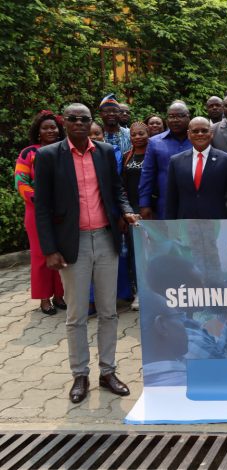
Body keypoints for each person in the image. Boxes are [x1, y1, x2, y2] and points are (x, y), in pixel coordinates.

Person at [34, 103, 139, 404]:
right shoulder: (48, 156)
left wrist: (127, 211)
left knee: (108, 311)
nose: (79, 123)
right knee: (77, 314)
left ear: (92, 122)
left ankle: (108, 371)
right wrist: (49, 250)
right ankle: (80, 374)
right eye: (73, 119)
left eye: (84, 119)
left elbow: (117, 190)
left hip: (106, 238)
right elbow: (42, 207)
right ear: (64, 122)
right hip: (72, 243)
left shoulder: (105, 152)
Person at [15, 111, 66, 315]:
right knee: (41, 255)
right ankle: (45, 299)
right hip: (37, 212)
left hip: (62, 211)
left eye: (53, 127)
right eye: (45, 127)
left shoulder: (65, 150)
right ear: (38, 132)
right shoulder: (28, 153)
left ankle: (60, 296)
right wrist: (41, 200)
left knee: (62, 254)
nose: (50, 130)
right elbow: (20, 182)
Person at [165, 117, 227, 219]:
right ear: (189, 134)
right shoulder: (176, 161)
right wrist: (171, 226)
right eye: (195, 131)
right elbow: (171, 199)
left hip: (218, 223)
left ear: (211, 133)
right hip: (185, 224)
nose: (200, 134)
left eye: (204, 131)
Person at [138, 101, 192, 220]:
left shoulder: (198, 140)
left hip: (194, 205)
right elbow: (147, 174)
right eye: (171, 116)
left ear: (188, 116)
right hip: (165, 205)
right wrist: (144, 204)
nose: (175, 120)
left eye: (180, 116)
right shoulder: (154, 142)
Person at [122, 121, 149, 310]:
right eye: (134, 134)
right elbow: (121, 186)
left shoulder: (154, 153)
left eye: (142, 133)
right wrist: (127, 211)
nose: (138, 137)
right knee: (136, 254)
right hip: (133, 213)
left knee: (154, 253)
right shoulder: (126, 156)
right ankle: (140, 292)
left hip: (150, 211)